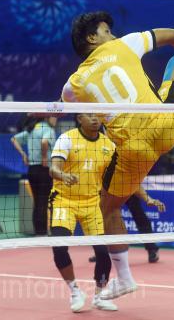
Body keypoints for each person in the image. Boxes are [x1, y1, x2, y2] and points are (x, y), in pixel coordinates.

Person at [61, 11, 174, 300]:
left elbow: (64, 102)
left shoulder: (73, 84)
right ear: (92, 38)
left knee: (106, 210)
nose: (113, 35)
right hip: (165, 126)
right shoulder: (125, 44)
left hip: (133, 151)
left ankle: (124, 279)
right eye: (106, 32)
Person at [48, 113, 117, 312]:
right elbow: (53, 169)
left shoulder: (109, 145)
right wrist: (63, 175)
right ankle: (75, 291)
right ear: (79, 118)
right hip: (64, 201)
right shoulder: (67, 138)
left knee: (103, 254)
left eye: (97, 115)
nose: (95, 119)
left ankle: (99, 296)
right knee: (59, 248)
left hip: (92, 204)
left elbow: (113, 178)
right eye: (89, 115)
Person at [90, 186, 166, 264]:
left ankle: (152, 249)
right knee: (102, 217)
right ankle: (101, 251)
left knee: (139, 215)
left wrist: (148, 199)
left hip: (128, 188)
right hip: (109, 190)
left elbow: (135, 185)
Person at [11, 114, 57, 236]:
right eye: (54, 117)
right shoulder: (48, 129)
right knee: (44, 201)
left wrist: (23, 155)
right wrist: (44, 158)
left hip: (32, 170)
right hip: (44, 169)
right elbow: (44, 142)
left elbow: (14, 139)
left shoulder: (32, 129)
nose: (55, 119)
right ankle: (43, 233)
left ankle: (39, 232)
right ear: (46, 117)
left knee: (37, 201)